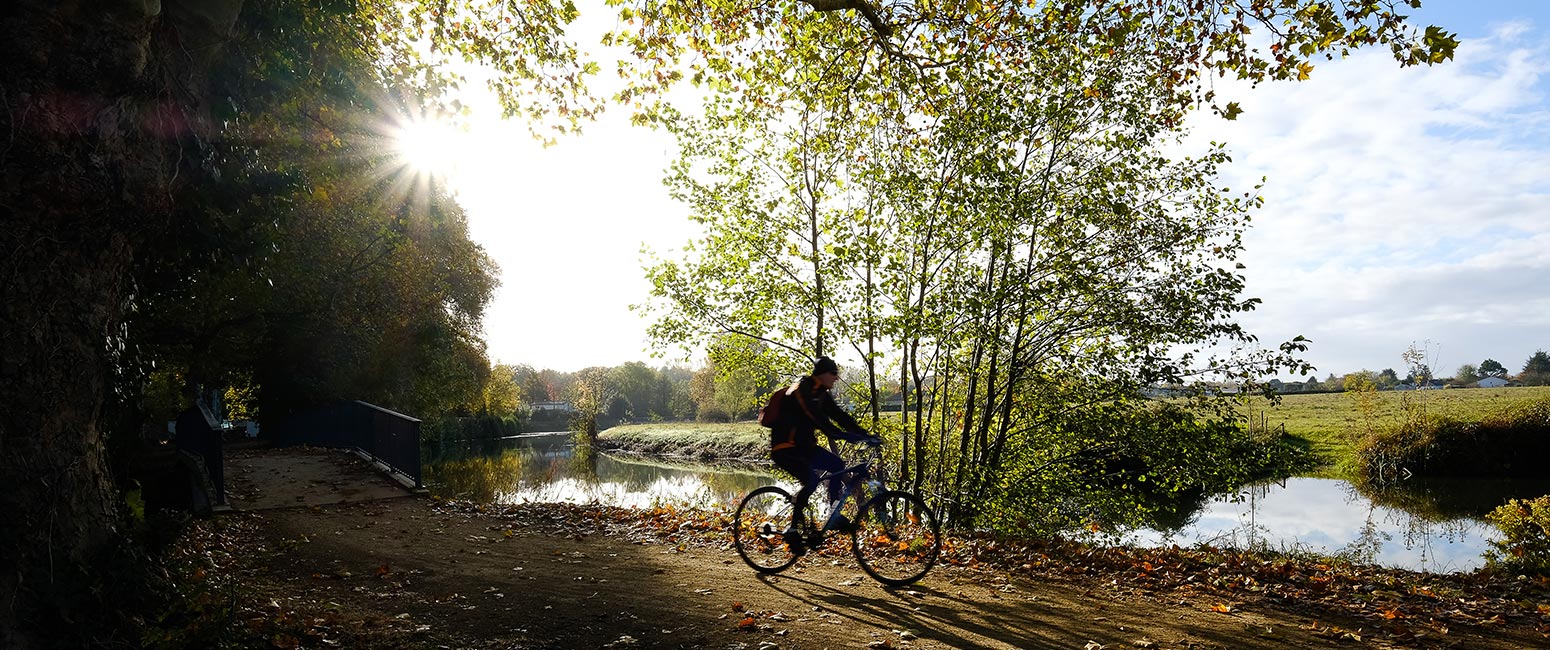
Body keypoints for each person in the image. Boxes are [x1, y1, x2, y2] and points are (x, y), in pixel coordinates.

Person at [769, 356, 879, 545]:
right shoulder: (802, 389)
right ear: (823, 373)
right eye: (834, 373)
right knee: (811, 481)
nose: (836, 378)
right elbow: (820, 421)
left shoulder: (820, 393)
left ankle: (833, 512)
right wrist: (846, 436)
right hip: (785, 448)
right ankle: (792, 529)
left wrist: (865, 435)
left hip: (804, 447)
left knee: (836, 464)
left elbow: (839, 416)